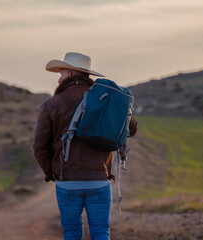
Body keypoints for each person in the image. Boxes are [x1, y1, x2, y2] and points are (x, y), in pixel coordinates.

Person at [33, 52, 138, 240]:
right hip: (100, 179)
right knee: (101, 232)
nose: (59, 79)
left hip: (67, 182)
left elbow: (39, 148)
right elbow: (131, 129)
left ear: (69, 74)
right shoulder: (105, 99)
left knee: (72, 234)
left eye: (61, 73)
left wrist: (52, 173)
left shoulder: (52, 104)